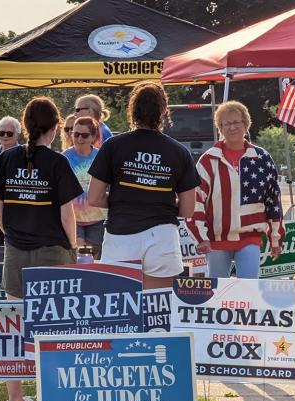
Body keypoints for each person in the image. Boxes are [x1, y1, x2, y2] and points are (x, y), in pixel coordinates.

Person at [0, 96, 81, 401]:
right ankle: (53, 399)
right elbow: (67, 214)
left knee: (15, 326)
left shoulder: (7, 158)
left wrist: (14, 234)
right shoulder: (57, 163)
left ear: (25, 126)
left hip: (15, 250)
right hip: (53, 252)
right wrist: (72, 246)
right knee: (54, 329)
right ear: (55, 127)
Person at [87, 82, 199, 290]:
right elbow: (187, 209)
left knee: (121, 306)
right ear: (164, 111)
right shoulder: (179, 152)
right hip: (162, 235)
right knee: (158, 308)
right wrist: (158, 199)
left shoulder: (113, 146)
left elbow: (93, 198)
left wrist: (123, 199)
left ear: (132, 110)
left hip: (121, 235)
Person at [187, 101, 283, 278]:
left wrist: (275, 238)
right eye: (226, 123)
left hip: (250, 237)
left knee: (249, 289)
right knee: (216, 293)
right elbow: (196, 201)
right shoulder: (208, 160)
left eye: (236, 122)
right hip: (215, 240)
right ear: (220, 128)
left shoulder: (262, 158)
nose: (232, 127)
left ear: (245, 124)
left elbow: (273, 200)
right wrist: (201, 237)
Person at [62, 116, 105, 259]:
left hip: (97, 217)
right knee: (80, 256)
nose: (80, 139)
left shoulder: (101, 157)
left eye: (84, 135)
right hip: (73, 216)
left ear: (93, 137)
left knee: (93, 258)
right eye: (76, 134)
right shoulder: (64, 158)